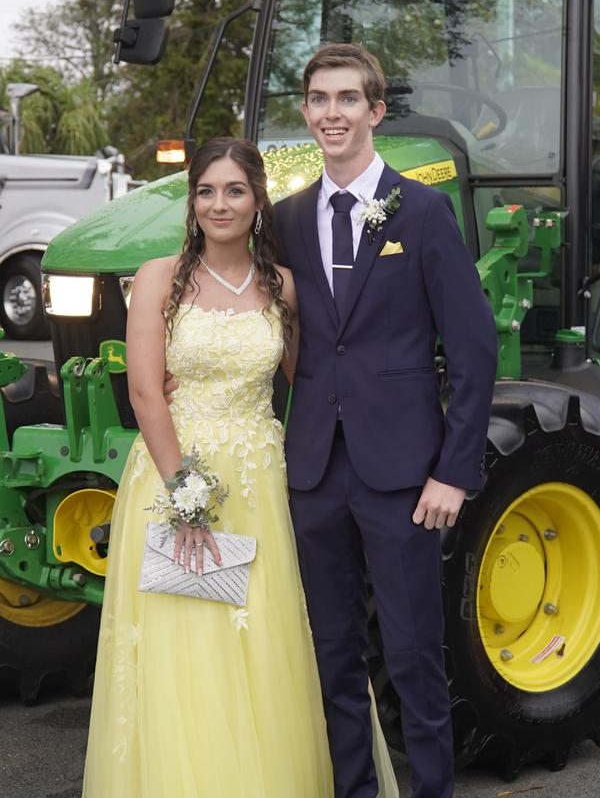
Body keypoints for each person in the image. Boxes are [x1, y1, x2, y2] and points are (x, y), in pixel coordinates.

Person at [82, 138, 398, 798]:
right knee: (188, 646)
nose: (219, 204)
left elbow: (307, 382)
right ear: (191, 202)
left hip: (259, 478)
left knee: (266, 637)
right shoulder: (158, 278)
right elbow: (144, 390)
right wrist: (183, 489)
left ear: (258, 203)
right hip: (177, 479)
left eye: (234, 191)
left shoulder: (280, 285)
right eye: (206, 191)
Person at [271, 43, 498, 798]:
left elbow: (472, 351)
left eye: (346, 99)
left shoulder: (423, 211)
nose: (331, 113)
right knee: (334, 658)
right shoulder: (288, 220)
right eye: (318, 99)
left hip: (404, 475)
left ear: (375, 111)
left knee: (412, 658)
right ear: (306, 112)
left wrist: (453, 472)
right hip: (313, 474)